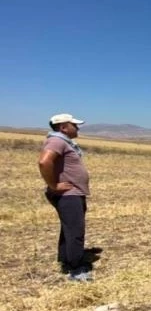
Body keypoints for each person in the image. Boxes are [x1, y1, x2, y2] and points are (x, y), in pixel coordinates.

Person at [38, 113, 96, 282]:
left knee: (69, 228)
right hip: (68, 195)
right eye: (74, 125)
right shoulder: (57, 141)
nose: (77, 128)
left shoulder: (62, 141)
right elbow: (44, 162)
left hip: (72, 193)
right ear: (63, 127)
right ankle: (76, 270)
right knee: (75, 230)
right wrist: (54, 185)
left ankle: (65, 259)